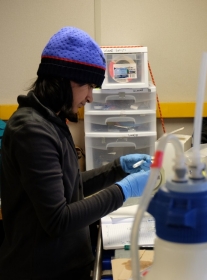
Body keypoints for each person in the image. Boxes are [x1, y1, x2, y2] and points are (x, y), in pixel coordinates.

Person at [0, 26, 151, 280]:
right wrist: (124, 190)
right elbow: (58, 219)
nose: (90, 97)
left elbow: (67, 187)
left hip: (65, 264)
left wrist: (117, 168)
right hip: (41, 270)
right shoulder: (31, 131)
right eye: (89, 86)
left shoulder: (52, 121)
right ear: (65, 79)